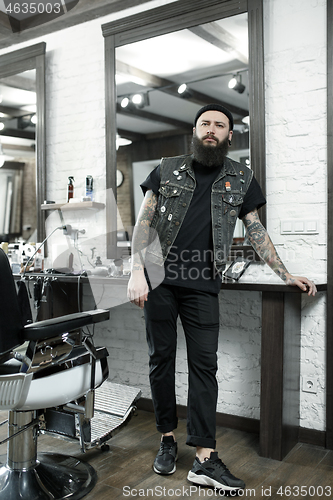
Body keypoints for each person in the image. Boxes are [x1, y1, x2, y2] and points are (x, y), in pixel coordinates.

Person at [127, 103, 317, 493]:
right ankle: (166, 437)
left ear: (230, 135)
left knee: (204, 367)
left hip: (203, 283)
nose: (211, 130)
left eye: (219, 125)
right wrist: (135, 272)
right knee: (160, 360)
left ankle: (204, 456)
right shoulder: (166, 169)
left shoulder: (241, 177)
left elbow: (255, 231)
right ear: (194, 131)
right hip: (158, 277)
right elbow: (144, 222)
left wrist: (286, 274)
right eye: (204, 124)